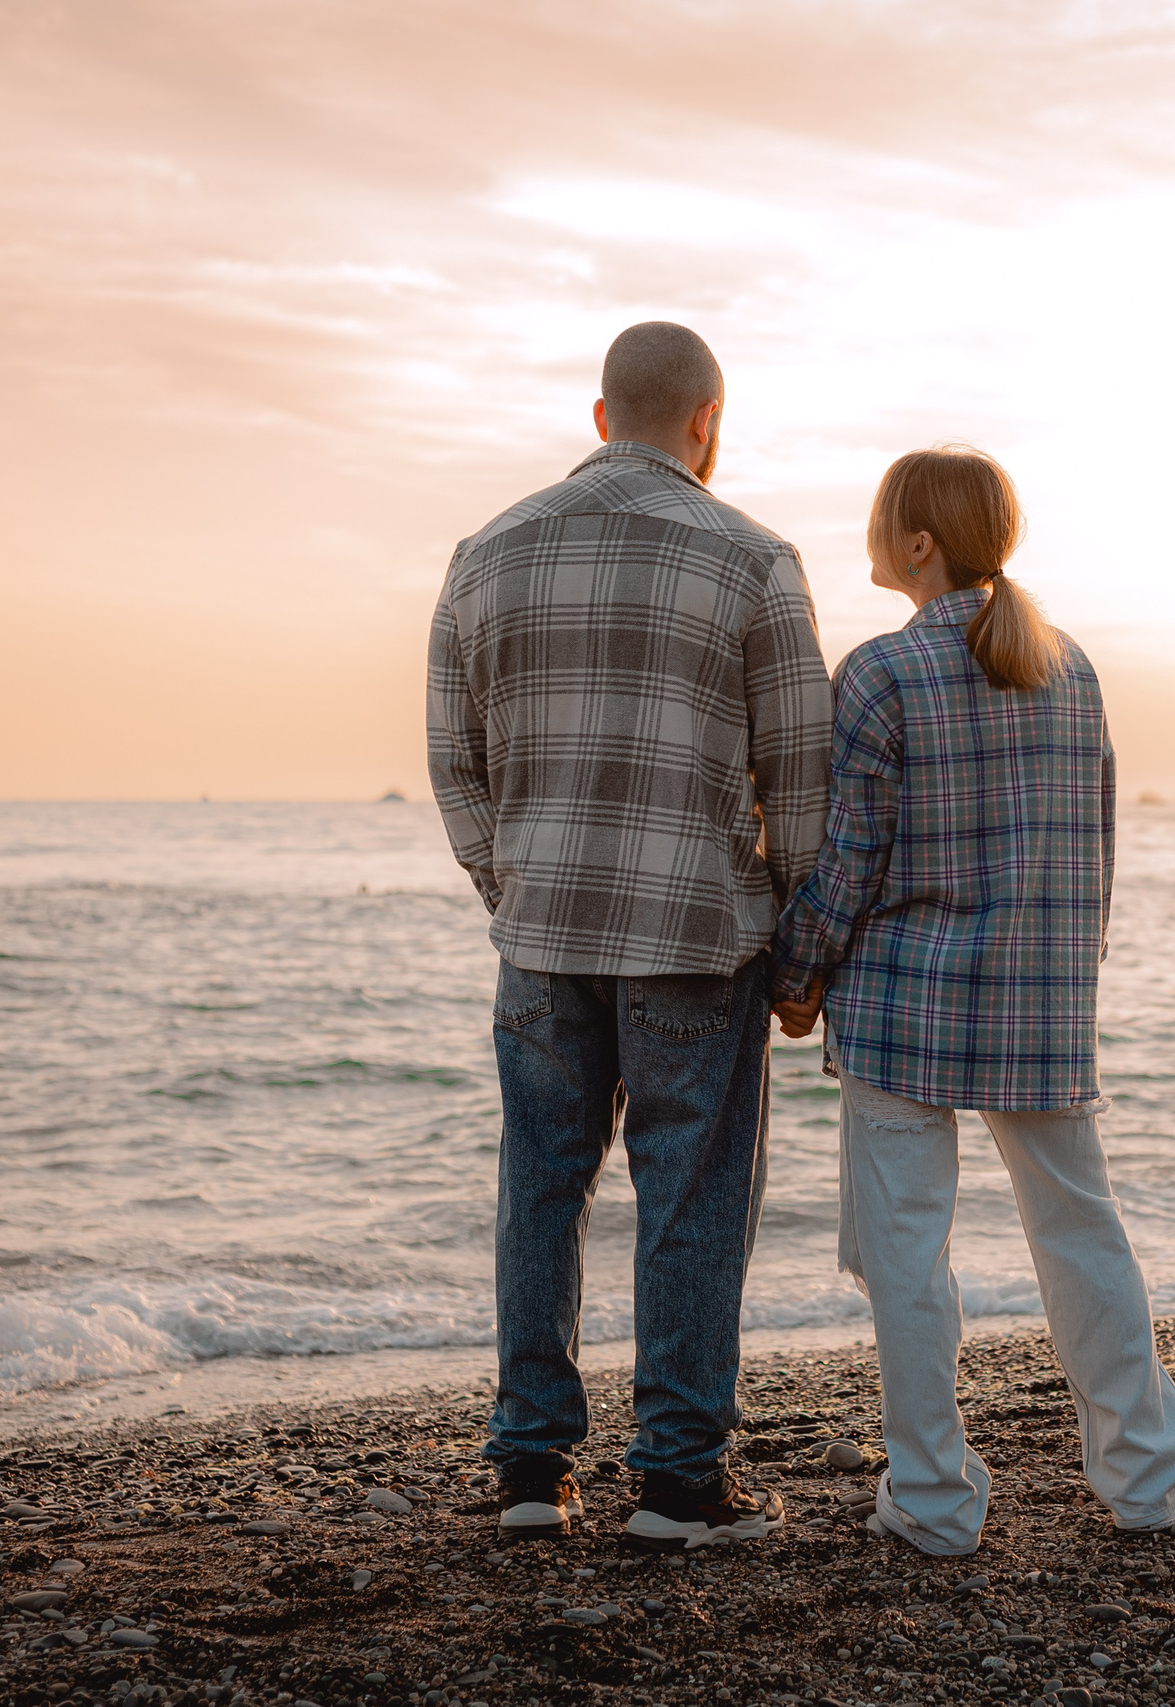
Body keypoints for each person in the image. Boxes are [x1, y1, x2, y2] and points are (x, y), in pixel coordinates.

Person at [428, 322, 831, 1550]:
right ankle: (676, 1483)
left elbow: (456, 767)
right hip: (697, 939)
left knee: (541, 1188)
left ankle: (530, 1476)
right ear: (709, 421)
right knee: (692, 1198)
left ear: (601, 417)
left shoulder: (483, 553)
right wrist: (799, 952)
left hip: (542, 933)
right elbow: (801, 783)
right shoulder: (755, 561)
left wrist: (515, 889)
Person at [770, 445, 1175, 1557]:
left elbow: (849, 857)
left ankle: (933, 1503)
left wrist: (797, 972)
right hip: (1039, 1002)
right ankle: (1150, 1483)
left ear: (917, 544)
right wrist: (1071, 980)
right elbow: (1094, 849)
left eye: (880, 517)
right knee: (1081, 1234)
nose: (870, 530)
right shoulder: (1073, 669)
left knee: (905, 1255)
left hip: (904, 1011)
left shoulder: (879, 673)